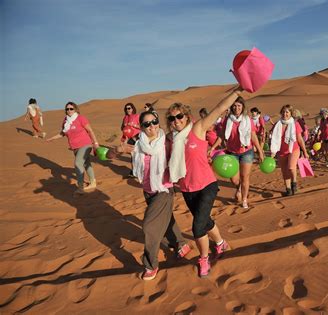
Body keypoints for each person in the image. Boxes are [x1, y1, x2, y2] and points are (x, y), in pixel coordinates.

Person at [165, 87, 244, 277]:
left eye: (180, 116)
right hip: (187, 188)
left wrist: (237, 91)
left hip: (207, 185)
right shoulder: (170, 139)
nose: (176, 121)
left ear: (187, 116)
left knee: (197, 226)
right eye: (172, 118)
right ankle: (220, 243)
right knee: (206, 221)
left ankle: (203, 258)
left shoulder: (198, 128)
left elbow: (219, 108)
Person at [115, 111, 191, 280]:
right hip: (148, 190)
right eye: (146, 124)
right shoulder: (137, 140)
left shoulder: (167, 140)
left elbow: (184, 140)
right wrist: (118, 150)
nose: (151, 126)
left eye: (154, 122)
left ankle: (150, 264)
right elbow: (113, 154)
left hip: (164, 189)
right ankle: (181, 244)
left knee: (149, 227)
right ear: (141, 126)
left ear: (158, 122)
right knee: (166, 218)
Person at [220, 97, 264, 208]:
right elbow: (221, 135)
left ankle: (244, 199)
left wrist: (260, 151)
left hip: (246, 151)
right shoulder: (228, 120)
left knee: (245, 177)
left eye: (239, 105)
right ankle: (239, 187)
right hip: (232, 152)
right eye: (234, 105)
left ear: (242, 107)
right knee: (234, 178)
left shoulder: (247, 120)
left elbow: (253, 136)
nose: (236, 108)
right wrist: (213, 147)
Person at [46, 102, 98, 194]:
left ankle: (80, 187)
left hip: (85, 144)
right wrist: (52, 138)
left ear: (75, 109)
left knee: (78, 163)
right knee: (86, 163)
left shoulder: (80, 118)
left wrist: (95, 143)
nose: (69, 110)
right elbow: (63, 133)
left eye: (71, 108)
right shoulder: (66, 121)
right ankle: (93, 182)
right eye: (67, 109)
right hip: (75, 147)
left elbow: (90, 130)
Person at [270, 104, 309, 196]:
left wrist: (305, 151)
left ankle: (294, 183)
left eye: (287, 112)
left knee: (291, 167)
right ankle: (288, 189)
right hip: (281, 151)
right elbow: (273, 137)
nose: (285, 114)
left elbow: (299, 139)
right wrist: (273, 151)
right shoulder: (277, 124)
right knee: (284, 171)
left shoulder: (295, 124)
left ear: (291, 113)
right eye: (283, 112)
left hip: (293, 149)